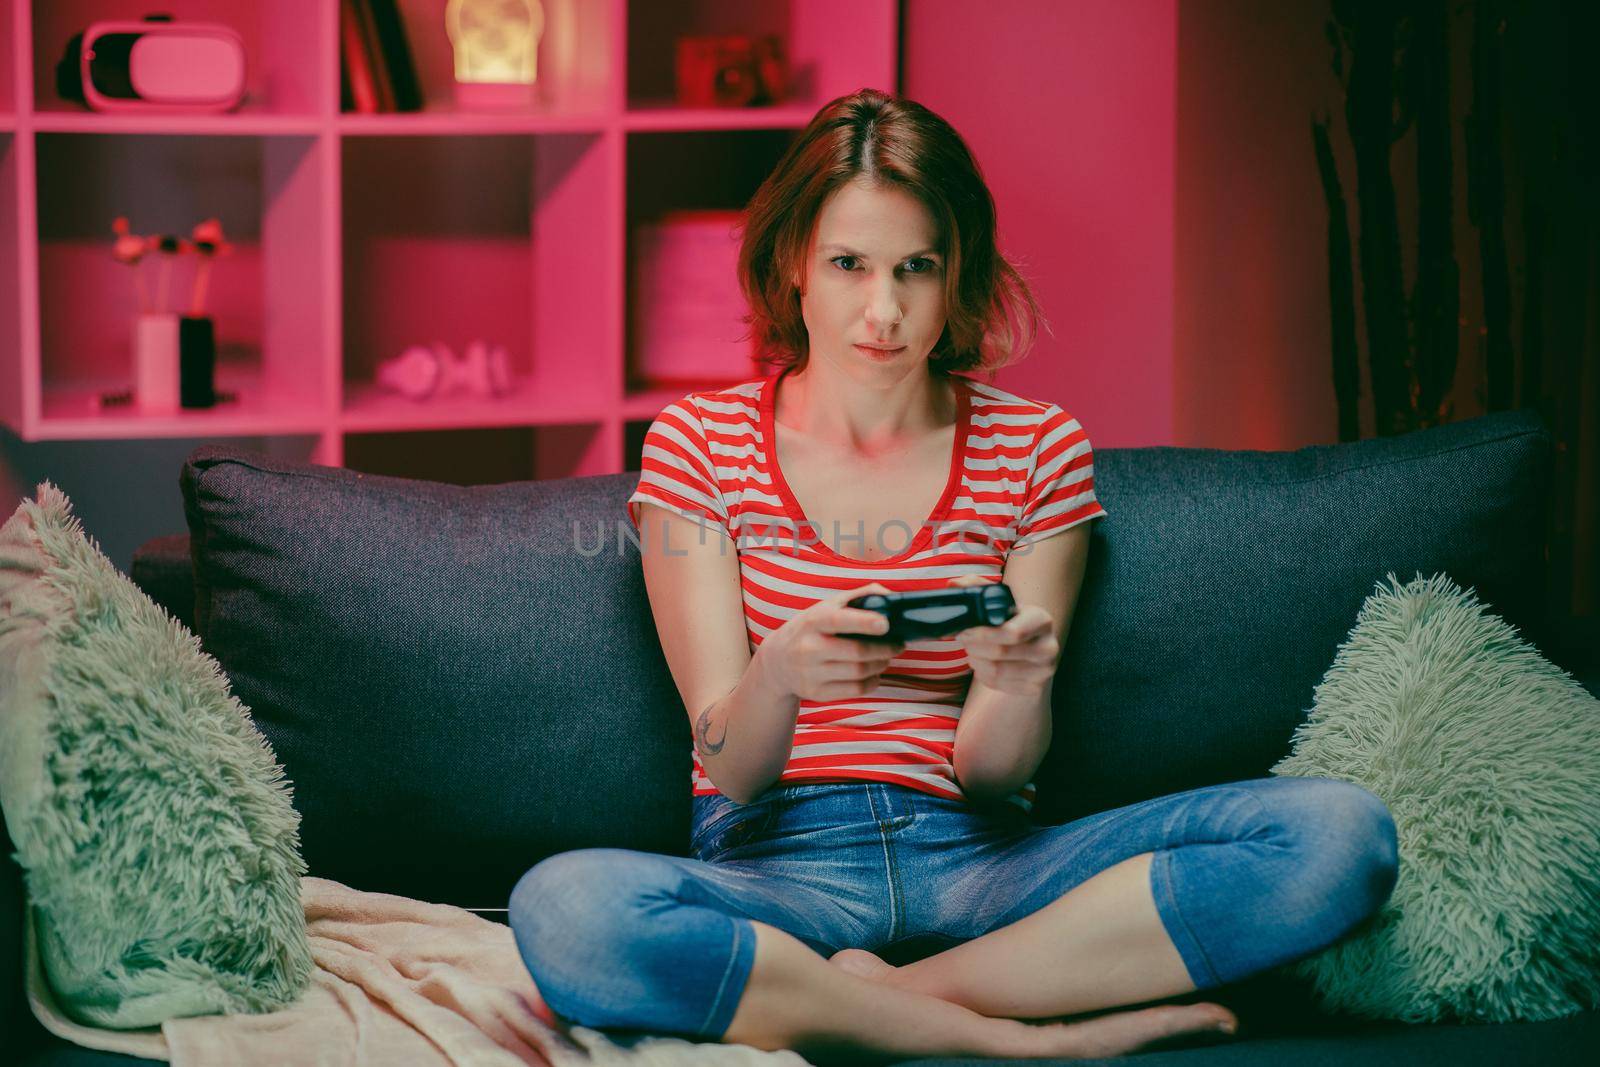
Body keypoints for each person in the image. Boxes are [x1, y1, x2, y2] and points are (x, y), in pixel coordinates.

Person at [508, 88, 1399, 1063]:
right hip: (776, 870)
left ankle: (893, 1001)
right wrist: (778, 679)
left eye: (916, 269)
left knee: (1339, 834)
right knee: (566, 909)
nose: (883, 311)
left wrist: (1017, 685)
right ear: (792, 264)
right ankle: (1018, 1038)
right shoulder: (697, 443)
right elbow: (729, 763)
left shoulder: (1038, 446)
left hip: (986, 866)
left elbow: (991, 772)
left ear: (956, 273)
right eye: (848, 264)